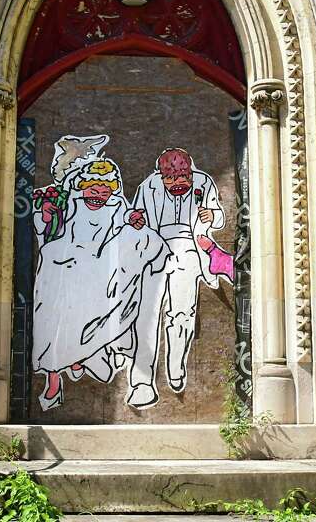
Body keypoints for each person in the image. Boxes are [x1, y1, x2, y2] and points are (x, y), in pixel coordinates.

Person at [32, 142, 169, 411]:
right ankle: (53, 379)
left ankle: (79, 356)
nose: (99, 194)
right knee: (53, 321)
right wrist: (47, 216)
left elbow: (129, 223)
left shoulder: (116, 205)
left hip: (97, 278)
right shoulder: (69, 204)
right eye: (93, 188)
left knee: (95, 314)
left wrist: (136, 223)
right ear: (83, 187)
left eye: (105, 189)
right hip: (64, 275)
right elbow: (48, 233)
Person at [132, 148, 226, 393]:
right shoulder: (147, 187)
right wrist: (136, 220)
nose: (177, 183)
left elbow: (218, 218)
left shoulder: (204, 183)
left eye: (183, 177)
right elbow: (136, 216)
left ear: (190, 173)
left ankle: (176, 367)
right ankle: (142, 381)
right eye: (170, 178)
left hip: (189, 250)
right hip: (156, 251)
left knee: (183, 314)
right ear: (160, 175)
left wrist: (211, 215)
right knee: (147, 315)